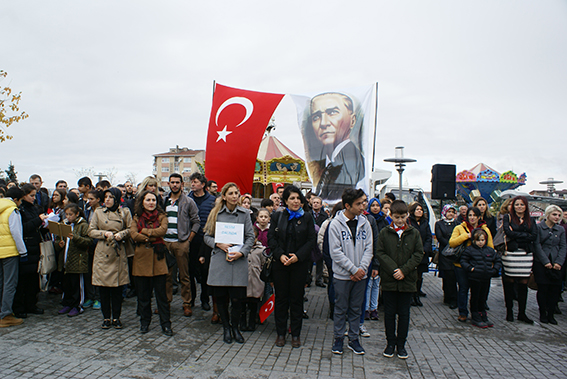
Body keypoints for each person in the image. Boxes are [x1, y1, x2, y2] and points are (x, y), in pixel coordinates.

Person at [204, 182, 255, 344]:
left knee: (237, 299)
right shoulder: (215, 213)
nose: (235, 196)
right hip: (220, 260)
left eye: (237, 193)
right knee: (221, 298)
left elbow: (250, 237)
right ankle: (226, 328)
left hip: (238, 261)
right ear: (224, 196)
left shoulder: (245, 213)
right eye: (231, 193)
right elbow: (206, 236)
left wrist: (242, 252)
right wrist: (218, 244)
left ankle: (235, 328)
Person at [268, 185, 316, 348]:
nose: (296, 201)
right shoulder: (277, 216)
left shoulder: (307, 217)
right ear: (285, 201)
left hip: (299, 264)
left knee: (296, 299)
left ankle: (295, 333)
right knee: (281, 299)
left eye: (298, 198)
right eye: (292, 198)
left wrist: (297, 256)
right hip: (280, 264)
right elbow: (271, 239)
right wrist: (280, 255)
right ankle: (280, 333)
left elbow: (311, 241)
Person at [376, 200, 424, 360]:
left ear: (407, 216)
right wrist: (393, 269)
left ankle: (401, 344)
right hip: (390, 280)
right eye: (396, 217)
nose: (399, 220)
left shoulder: (414, 233)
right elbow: (380, 253)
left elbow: (418, 254)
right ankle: (390, 343)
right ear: (391, 216)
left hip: (407, 280)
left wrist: (404, 270)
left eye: (402, 217)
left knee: (404, 314)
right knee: (389, 314)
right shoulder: (384, 232)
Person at [329, 188, 373, 356]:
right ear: (347, 205)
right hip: (342, 275)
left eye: (364, 202)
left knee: (356, 308)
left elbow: (369, 247)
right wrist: (353, 269)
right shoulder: (335, 224)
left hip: (361, 276)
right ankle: (338, 338)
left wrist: (362, 269)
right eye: (358, 203)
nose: (363, 206)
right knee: (340, 308)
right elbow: (335, 252)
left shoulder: (365, 222)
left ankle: (353, 339)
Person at [306, 93, 365, 202]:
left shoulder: (352, 163)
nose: (323, 123)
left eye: (332, 113)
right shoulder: (328, 163)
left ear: (352, 120)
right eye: (316, 117)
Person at [88, 188, 132, 329]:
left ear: (117, 199)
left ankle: (116, 318)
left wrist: (121, 234)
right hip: (103, 252)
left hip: (118, 252)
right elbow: (91, 231)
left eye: (110, 197)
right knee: (104, 289)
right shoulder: (98, 212)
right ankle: (106, 317)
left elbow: (132, 229)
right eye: (105, 197)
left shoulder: (124, 212)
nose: (107, 200)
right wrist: (104, 233)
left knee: (117, 289)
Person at [130, 190, 173, 336]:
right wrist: (150, 236)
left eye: (153, 200)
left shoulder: (162, 216)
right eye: (148, 200)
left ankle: (166, 324)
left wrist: (145, 232)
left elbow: (162, 231)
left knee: (161, 296)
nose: (151, 203)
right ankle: (144, 322)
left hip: (158, 260)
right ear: (142, 201)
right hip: (141, 261)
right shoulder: (136, 217)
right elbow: (134, 235)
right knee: (143, 296)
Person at [163, 173, 200, 317]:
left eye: (177, 182)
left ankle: (186, 303)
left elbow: (196, 221)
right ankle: (166, 303)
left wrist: (188, 240)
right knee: (166, 275)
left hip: (181, 243)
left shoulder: (188, 201)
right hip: (166, 243)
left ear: (182, 184)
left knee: (184, 276)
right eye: (172, 182)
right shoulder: (164, 201)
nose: (174, 185)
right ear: (168, 184)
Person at [449, 207, 493, 322]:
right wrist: (466, 236)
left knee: (477, 291)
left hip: (477, 265)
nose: (472, 218)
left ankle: (477, 312)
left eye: (474, 215)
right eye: (470, 215)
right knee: (463, 289)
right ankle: (463, 312)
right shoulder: (459, 228)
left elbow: (490, 247)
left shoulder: (484, 230)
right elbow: (452, 243)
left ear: (479, 217)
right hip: (461, 264)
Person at [13, 184, 48, 318]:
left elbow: (37, 227)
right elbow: (23, 228)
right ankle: (20, 307)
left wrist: (45, 224)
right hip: (25, 247)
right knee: (22, 280)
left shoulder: (34, 208)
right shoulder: (19, 210)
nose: (34, 198)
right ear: (24, 196)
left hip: (35, 246)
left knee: (33, 279)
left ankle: (31, 304)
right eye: (31, 195)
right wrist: (38, 220)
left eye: (34, 195)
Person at [502, 196, 537, 324]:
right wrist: (525, 235)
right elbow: (508, 233)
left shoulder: (531, 220)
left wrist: (518, 235)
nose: (519, 207)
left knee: (523, 284)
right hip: (511, 254)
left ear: (526, 206)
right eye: (517, 204)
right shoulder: (508, 218)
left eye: (522, 204)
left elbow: (533, 236)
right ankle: (509, 312)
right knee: (509, 283)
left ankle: (522, 313)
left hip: (526, 255)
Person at [56, 204, 92, 318]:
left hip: (78, 259)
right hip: (65, 260)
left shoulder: (83, 225)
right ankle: (67, 303)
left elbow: (89, 241)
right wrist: (59, 244)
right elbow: (58, 240)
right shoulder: (63, 224)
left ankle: (77, 306)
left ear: (77, 214)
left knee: (77, 284)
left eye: (70, 214)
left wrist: (75, 238)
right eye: (66, 214)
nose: (68, 217)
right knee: (66, 284)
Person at [460, 228, 501, 328]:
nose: (480, 242)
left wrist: (494, 270)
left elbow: (497, 260)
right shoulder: (470, 250)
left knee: (483, 297)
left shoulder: (489, 250)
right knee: (475, 297)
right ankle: (475, 315)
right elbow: (463, 261)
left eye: (482, 240)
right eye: (478, 240)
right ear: (474, 240)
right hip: (475, 277)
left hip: (486, 277)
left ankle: (482, 314)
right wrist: (471, 268)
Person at [188, 172, 216, 312]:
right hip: (191, 240)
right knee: (190, 271)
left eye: (195, 181)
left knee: (205, 271)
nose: (192, 184)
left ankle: (205, 299)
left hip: (206, 241)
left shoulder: (212, 200)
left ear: (203, 184)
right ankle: (191, 299)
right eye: (191, 182)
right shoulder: (187, 199)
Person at [533, 205, 566, 324]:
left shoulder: (560, 229)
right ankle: (543, 313)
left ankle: (551, 314)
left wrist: (559, 262)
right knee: (543, 288)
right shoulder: (538, 228)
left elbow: (563, 246)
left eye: (558, 215)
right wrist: (545, 261)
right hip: (541, 262)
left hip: (556, 262)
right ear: (548, 215)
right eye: (554, 214)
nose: (556, 217)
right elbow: (537, 245)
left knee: (555, 289)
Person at [0, 187, 27, 327]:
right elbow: (16, 233)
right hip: (9, 251)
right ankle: (6, 314)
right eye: (21, 200)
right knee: (9, 283)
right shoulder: (12, 211)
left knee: (0, 282)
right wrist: (23, 251)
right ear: (16, 199)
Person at [364, 198, 389, 320]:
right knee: (368, 284)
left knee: (376, 284)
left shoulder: (384, 221)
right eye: (372, 205)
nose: (375, 208)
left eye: (377, 205)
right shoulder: (367, 219)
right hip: (369, 255)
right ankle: (366, 308)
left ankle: (374, 308)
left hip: (380, 254)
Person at [407, 202, 432, 306]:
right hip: (412, 253)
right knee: (412, 275)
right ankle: (411, 296)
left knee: (419, 276)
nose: (419, 211)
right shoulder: (409, 222)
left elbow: (428, 237)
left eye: (421, 210)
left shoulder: (425, 223)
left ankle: (417, 295)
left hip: (423, 253)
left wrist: (425, 249)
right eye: (417, 209)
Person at [435, 204, 459, 309]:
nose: (450, 214)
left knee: (453, 276)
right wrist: (450, 244)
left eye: (452, 212)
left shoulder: (457, 224)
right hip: (444, 253)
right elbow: (440, 237)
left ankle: (453, 298)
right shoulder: (439, 224)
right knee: (447, 276)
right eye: (449, 212)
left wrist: (454, 245)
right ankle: (447, 296)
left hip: (455, 253)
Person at [310, 195, 328, 287]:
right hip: (310, 239)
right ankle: (308, 279)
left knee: (320, 260)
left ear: (321, 205)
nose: (315, 204)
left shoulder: (325, 216)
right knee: (309, 260)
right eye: (314, 202)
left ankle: (319, 279)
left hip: (320, 239)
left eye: (318, 203)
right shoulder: (308, 214)